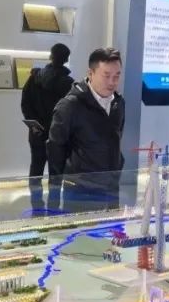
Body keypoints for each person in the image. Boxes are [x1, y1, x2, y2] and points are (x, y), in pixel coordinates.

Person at [47, 47, 125, 212]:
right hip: (80, 192)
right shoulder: (70, 105)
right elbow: (56, 151)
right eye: (106, 76)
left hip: (111, 190)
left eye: (117, 76)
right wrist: (53, 200)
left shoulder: (118, 103)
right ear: (91, 73)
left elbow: (116, 140)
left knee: (110, 228)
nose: (112, 82)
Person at [20, 43, 73, 210]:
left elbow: (25, 103)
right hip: (58, 134)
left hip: (36, 131)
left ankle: (36, 207)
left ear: (51, 56)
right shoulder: (68, 83)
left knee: (36, 168)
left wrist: (33, 123)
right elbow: (70, 110)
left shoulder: (34, 77)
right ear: (66, 59)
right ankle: (53, 209)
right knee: (56, 174)